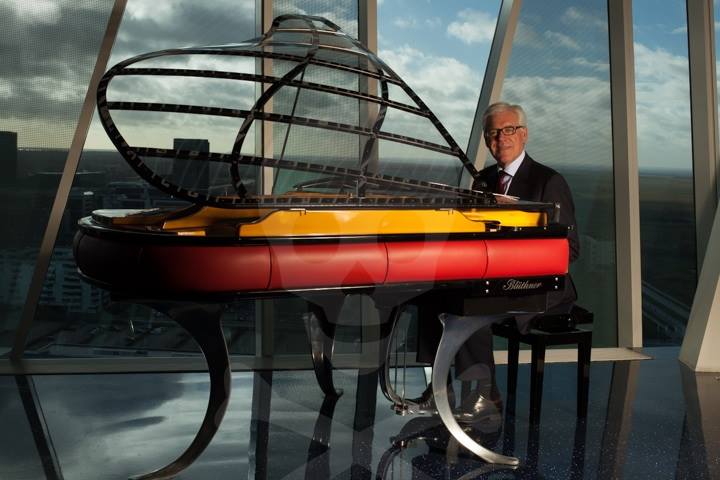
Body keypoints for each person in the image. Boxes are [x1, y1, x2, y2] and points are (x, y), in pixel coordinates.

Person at [414, 101, 579, 417]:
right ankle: (439, 389)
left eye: (509, 130)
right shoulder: (484, 181)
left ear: (524, 134)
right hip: (492, 277)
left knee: (473, 305)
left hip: (540, 286)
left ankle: (485, 394)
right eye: (493, 133)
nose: (501, 138)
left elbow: (570, 249)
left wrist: (515, 254)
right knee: (434, 296)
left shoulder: (548, 181)